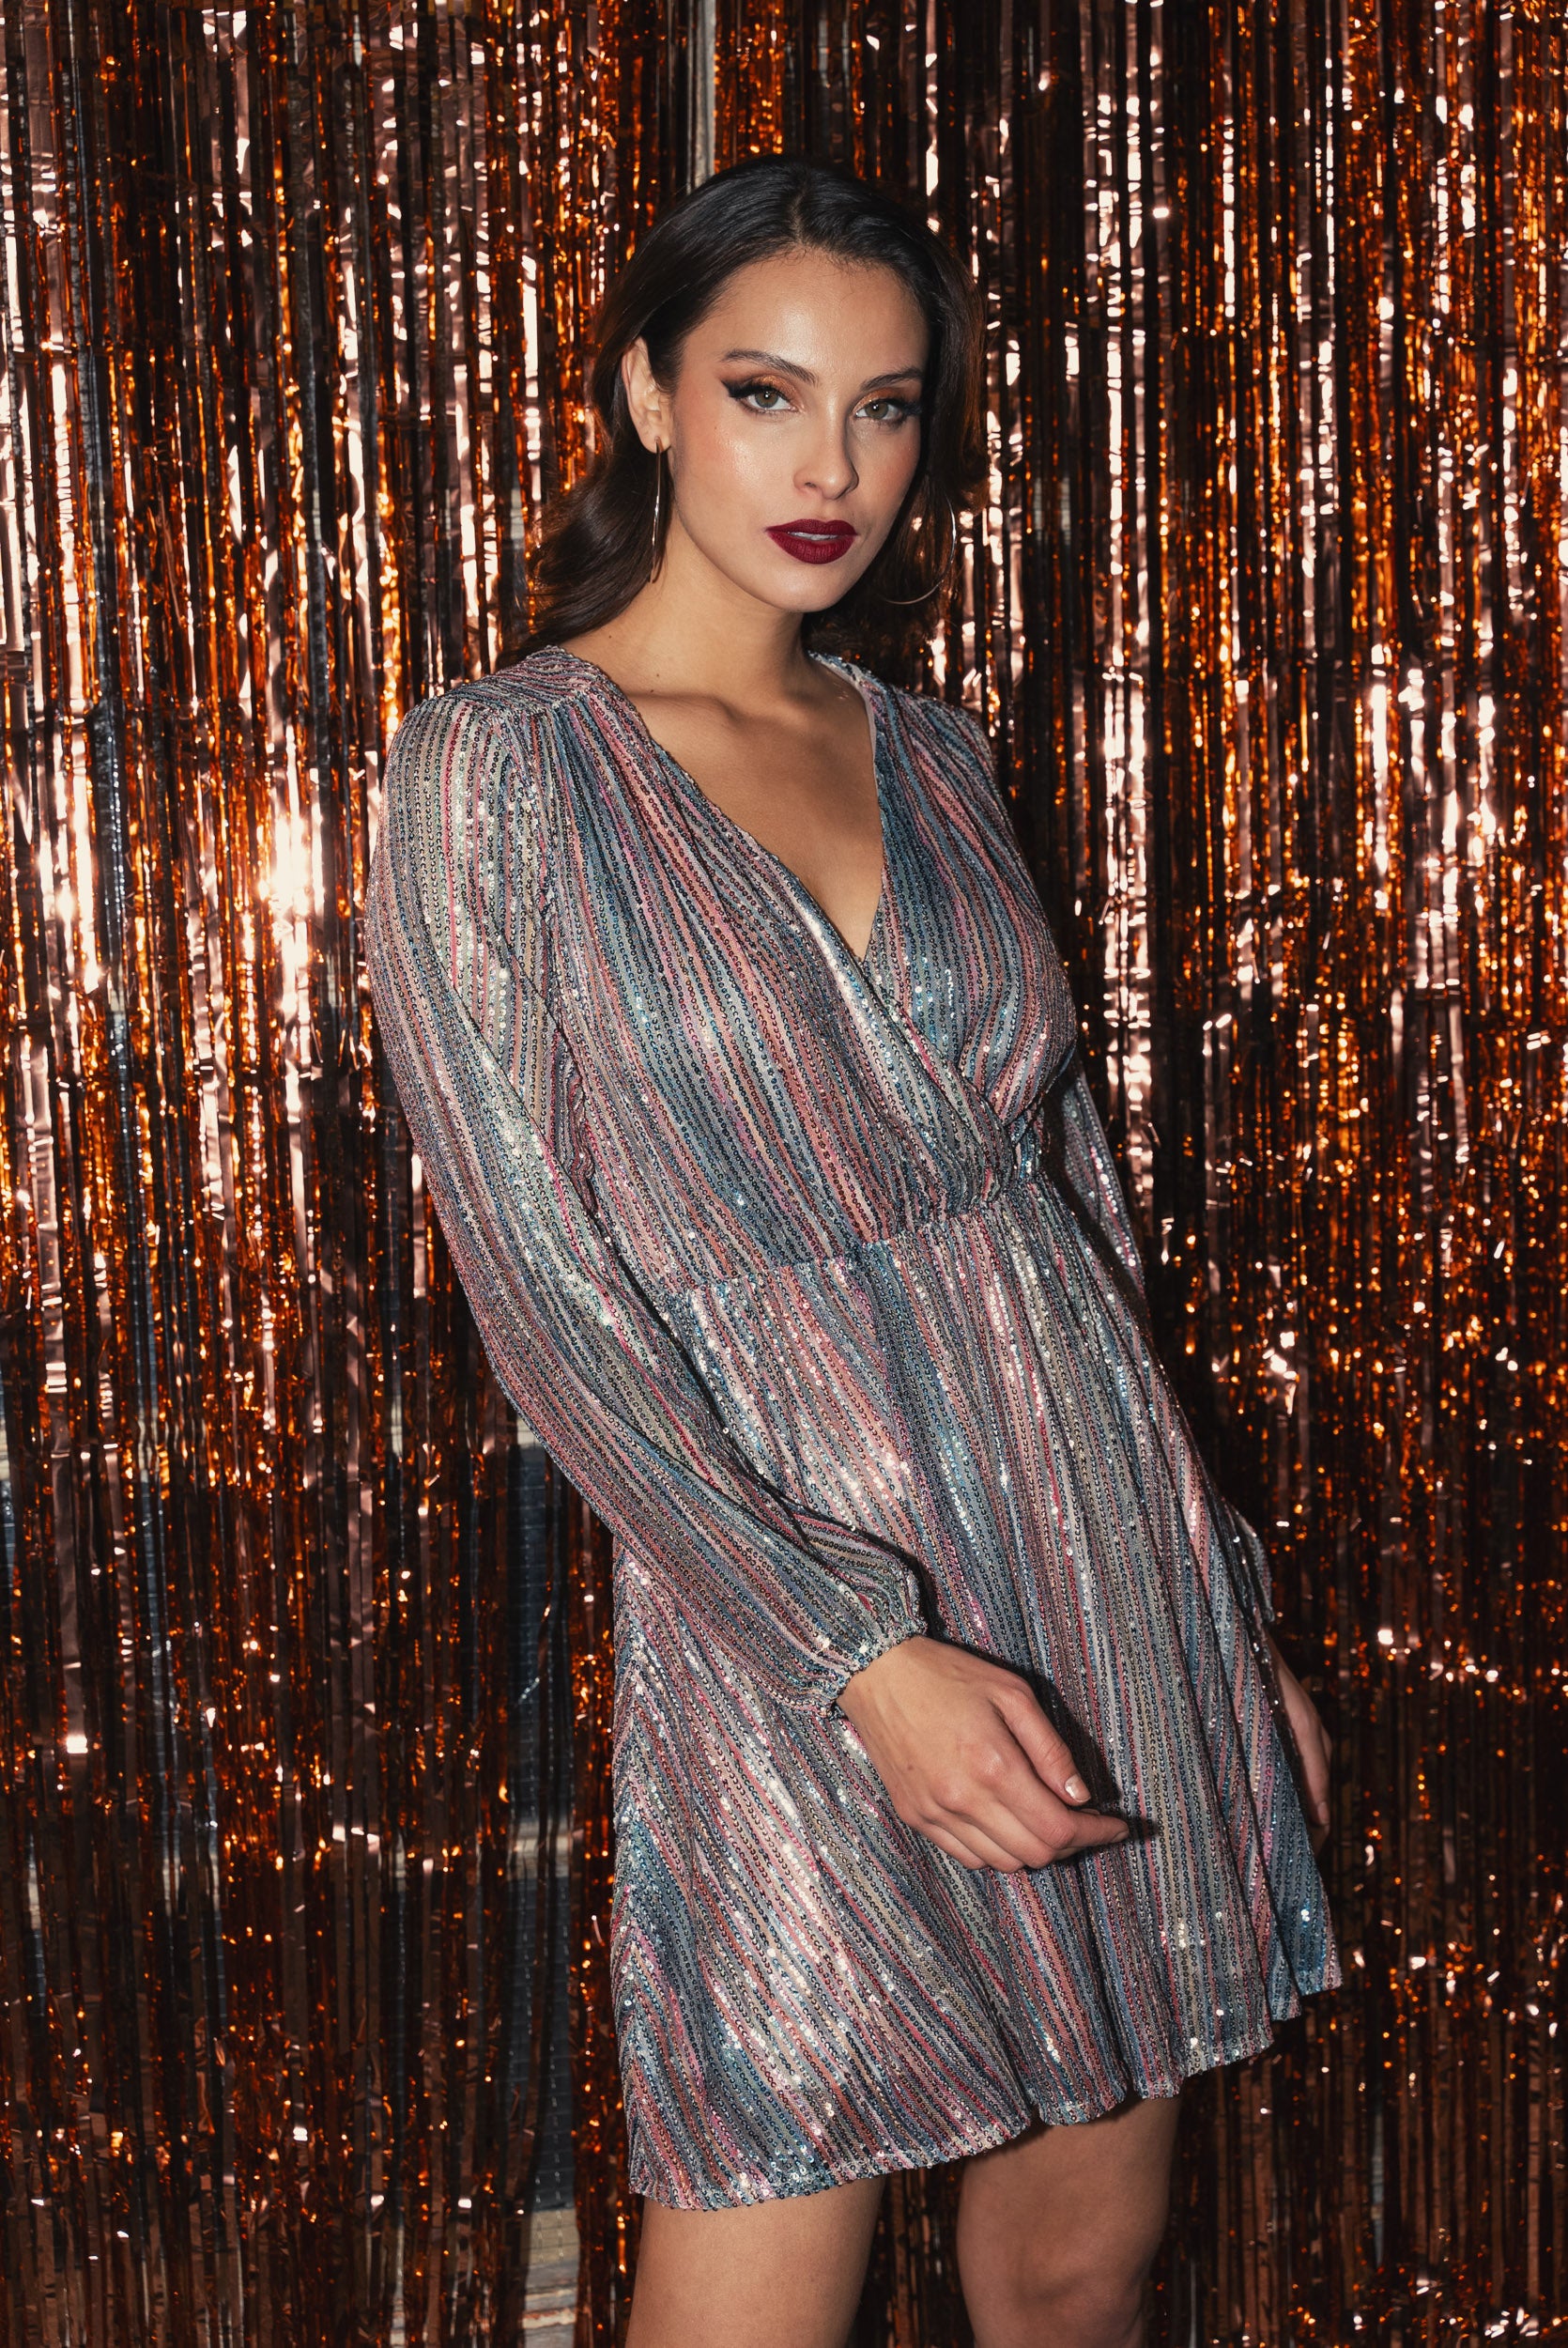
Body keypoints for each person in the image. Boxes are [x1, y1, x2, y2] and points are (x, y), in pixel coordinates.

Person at [363, 153, 1338, 2348]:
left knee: (1076, 2271)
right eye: (767, 392)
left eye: (885, 408)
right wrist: (853, 1647)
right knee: (754, 2274)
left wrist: (1223, 1602)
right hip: (786, 1600)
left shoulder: (933, 751)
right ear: (646, 394)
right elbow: (541, 1287)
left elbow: (1069, 1204)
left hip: (1099, 1566)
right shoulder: (496, 773)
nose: (832, 468)